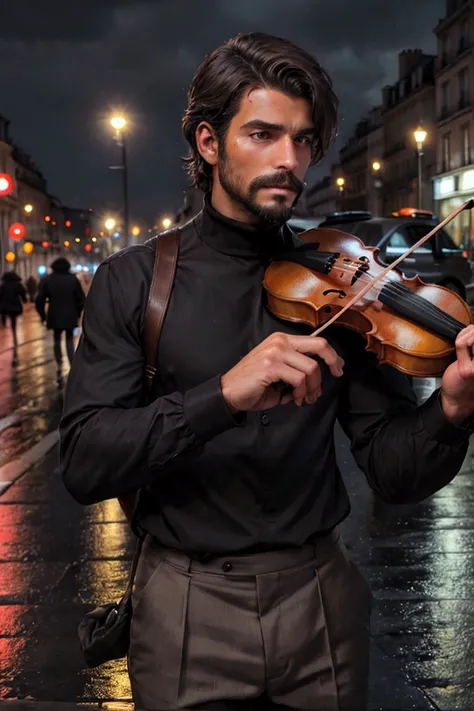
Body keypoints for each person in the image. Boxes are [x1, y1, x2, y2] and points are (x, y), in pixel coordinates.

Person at [59, 32, 474, 711]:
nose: (290, 159)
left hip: (319, 599)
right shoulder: (133, 281)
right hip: (187, 604)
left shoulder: (348, 281)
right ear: (207, 142)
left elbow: (394, 470)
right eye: (263, 133)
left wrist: (451, 410)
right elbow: (83, 460)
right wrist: (221, 395)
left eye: (304, 139)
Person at [35, 257, 85, 383]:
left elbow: (39, 300)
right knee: (69, 340)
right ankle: (72, 367)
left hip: (54, 315)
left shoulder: (48, 280)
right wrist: (78, 313)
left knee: (56, 340)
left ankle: (59, 366)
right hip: (70, 315)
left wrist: (43, 316)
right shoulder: (73, 280)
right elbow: (81, 299)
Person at [0, 270, 27, 366]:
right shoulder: (17, 285)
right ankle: (14, 339)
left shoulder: (3, 285)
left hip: (4, 308)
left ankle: (4, 323)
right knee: (13, 323)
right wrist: (24, 300)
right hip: (15, 308)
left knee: (5, 316)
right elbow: (23, 295)